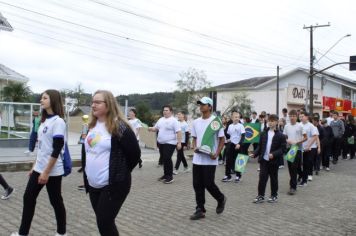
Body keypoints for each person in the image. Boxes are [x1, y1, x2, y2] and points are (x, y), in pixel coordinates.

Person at [83, 90, 141, 236]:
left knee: (104, 222)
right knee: (104, 223)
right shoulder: (92, 125)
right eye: (92, 102)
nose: (93, 105)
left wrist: (120, 173)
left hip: (113, 186)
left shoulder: (119, 126)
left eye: (98, 102)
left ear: (108, 105)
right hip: (93, 184)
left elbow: (134, 154)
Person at [11, 90, 67, 236]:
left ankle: (62, 233)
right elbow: (42, 147)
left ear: (53, 100)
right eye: (41, 98)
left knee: (56, 201)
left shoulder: (58, 121)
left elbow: (57, 149)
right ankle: (23, 233)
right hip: (39, 168)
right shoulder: (43, 121)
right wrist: (35, 166)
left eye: (44, 98)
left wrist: (46, 172)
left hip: (52, 170)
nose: (41, 100)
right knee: (28, 198)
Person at [189, 97, 226, 220]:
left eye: (203, 104)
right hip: (197, 158)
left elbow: (222, 140)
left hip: (210, 158)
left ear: (210, 106)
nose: (201, 106)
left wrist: (217, 153)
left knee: (208, 183)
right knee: (197, 184)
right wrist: (194, 146)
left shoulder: (216, 121)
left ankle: (221, 198)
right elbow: (194, 138)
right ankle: (200, 209)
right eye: (200, 104)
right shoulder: (195, 122)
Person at [251, 114, 286, 203]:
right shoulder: (263, 133)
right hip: (264, 160)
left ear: (277, 122)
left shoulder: (281, 135)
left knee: (274, 179)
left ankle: (274, 195)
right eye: (269, 121)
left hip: (274, 161)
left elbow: (283, 149)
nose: (270, 122)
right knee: (262, 178)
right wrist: (254, 154)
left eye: (272, 121)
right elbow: (260, 146)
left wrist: (274, 154)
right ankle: (260, 196)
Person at [149, 105, 182, 184]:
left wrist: (179, 143)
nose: (165, 111)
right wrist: (150, 128)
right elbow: (156, 128)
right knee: (164, 159)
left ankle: (170, 177)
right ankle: (165, 175)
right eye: (164, 110)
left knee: (167, 158)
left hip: (170, 142)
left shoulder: (174, 121)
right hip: (161, 143)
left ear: (171, 111)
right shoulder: (161, 119)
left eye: (166, 110)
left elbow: (179, 132)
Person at [283, 110, 307, 195]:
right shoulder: (286, 126)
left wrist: (297, 142)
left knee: (294, 167)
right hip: (290, 149)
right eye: (291, 116)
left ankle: (293, 187)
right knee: (290, 168)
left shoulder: (300, 126)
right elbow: (284, 137)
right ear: (289, 117)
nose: (292, 117)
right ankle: (295, 181)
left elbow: (305, 137)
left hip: (297, 149)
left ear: (296, 117)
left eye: (294, 116)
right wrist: (287, 140)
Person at [222, 111, 245, 182]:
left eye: (238, 117)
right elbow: (228, 134)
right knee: (228, 160)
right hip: (231, 144)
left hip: (238, 145)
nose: (237, 118)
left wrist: (239, 144)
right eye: (235, 117)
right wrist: (228, 139)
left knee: (239, 160)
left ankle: (238, 176)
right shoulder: (230, 126)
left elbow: (243, 136)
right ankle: (228, 175)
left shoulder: (241, 126)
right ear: (232, 118)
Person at [299, 112, 319, 186]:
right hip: (298, 147)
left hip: (308, 148)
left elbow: (315, 136)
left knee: (305, 164)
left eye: (302, 116)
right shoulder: (299, 125)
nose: (301, 118)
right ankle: (301, 175)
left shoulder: (311, 126)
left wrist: (308, 146)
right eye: (300, 116)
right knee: (297, 164)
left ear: (307, 117)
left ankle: (304, 181)